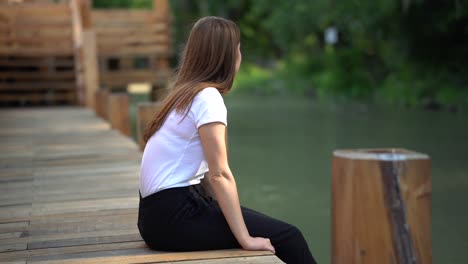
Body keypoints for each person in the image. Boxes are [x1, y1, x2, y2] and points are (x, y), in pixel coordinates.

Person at [137, 16, 317, 264]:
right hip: (175, 218)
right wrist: (245, 238)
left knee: (263, 225)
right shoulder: (207, 97)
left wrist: (237, 220)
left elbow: (208, 176)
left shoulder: (183, 96)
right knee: (289, 237)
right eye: (238, 47)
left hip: (153, 217)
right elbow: (220, 174)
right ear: (229, 55)